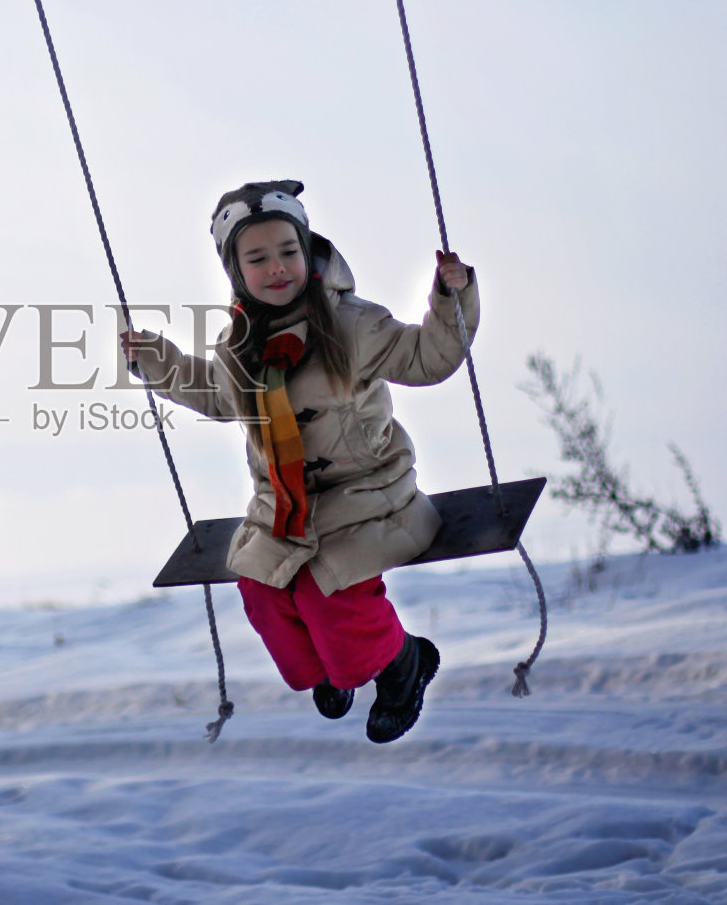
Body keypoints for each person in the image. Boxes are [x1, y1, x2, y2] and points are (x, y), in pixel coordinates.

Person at [121, 180, 477, 743]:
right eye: (257, 258)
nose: (277, 268)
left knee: (325, 587)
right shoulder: (240, 343)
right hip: (284, 508)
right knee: (262, 588)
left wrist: (450, 298)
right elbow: (218, 396)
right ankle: (335, 668)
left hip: (368, 495)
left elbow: (427, 356)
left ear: (306, 247)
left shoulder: (351, 324)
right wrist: (156, 360)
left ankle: (404, 662)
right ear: (238, 271)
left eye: (288, 250)